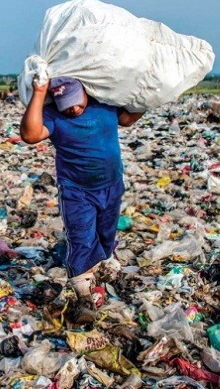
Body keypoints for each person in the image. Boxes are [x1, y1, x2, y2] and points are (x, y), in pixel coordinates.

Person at [20, 76, 144, 324]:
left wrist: (150, 95)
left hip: (111, 184)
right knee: (81, 236)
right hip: (76, 190)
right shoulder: (54, 116)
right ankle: (83, 294)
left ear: (87, 92)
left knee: (106, 232)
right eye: (66, 104)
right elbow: (30, 135)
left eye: (76, 102)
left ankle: (104, 266)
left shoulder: (104, 105)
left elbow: (128, 119)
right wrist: (39, 91)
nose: (73, 109)